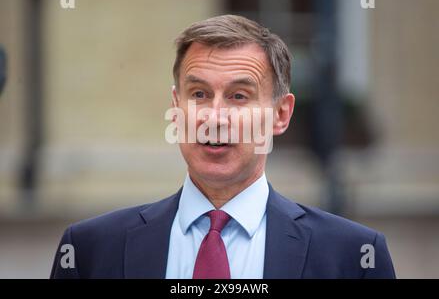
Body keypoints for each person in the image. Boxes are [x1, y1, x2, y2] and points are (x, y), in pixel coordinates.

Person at [50, 15, 395, 279]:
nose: (215, 117)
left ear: (280, 114)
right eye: (199, 94)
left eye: (238, 96)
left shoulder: (354, 257)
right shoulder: (90, 251)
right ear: (176, 107)